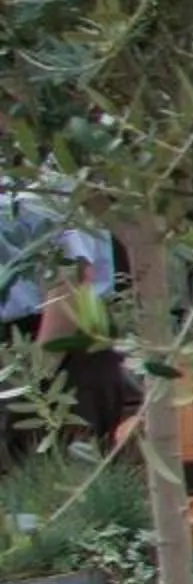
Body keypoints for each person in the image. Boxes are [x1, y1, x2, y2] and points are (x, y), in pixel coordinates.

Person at [1, 192, 136, 453]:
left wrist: (35, 376)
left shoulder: (38, 191)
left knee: (63, 465)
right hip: (21, 342)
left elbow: (70, 283)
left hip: (62, 336)